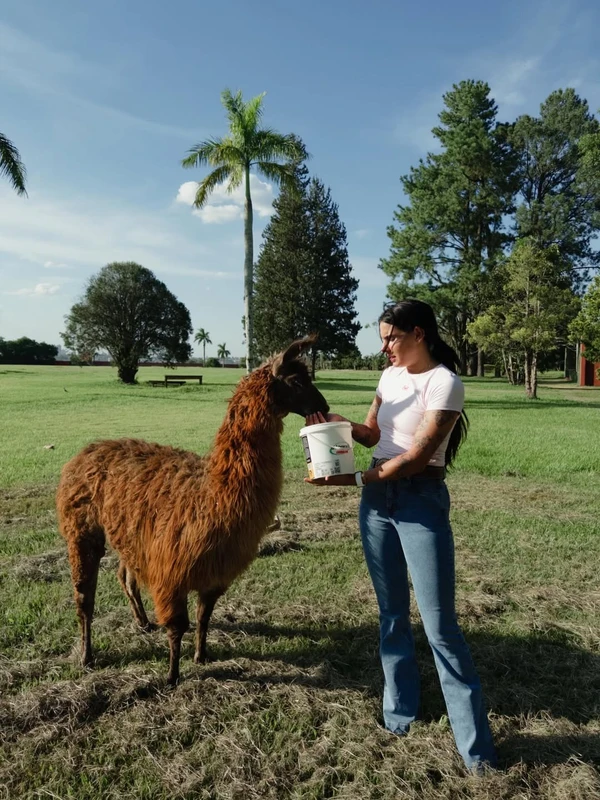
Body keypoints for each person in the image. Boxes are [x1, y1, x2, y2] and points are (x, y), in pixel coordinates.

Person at [305, 299, 497, 773]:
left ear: (419, 334)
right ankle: (399, 717)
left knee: (440, 627)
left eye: (391, 337)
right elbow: (372, 435)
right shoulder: (389, 378)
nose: (385, 347)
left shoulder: (445, 383)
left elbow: (417, 456)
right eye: (382, 339)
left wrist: (352, 482)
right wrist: (333, 426)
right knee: (391, 615)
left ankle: (477, 755)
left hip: (419, 501)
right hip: (377, 504)